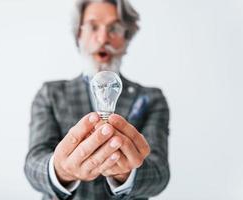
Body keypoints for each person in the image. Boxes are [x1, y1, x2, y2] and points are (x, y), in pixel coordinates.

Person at [24, 0, 170, 199]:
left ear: (127, 38)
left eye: (115, 28)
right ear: (78, 34)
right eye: (93, 27)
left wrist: (126, 173)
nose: (103, 38)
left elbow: (160, 174)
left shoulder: (150, 98)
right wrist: (62, 170)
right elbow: (33, 164)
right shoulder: (50, 94)